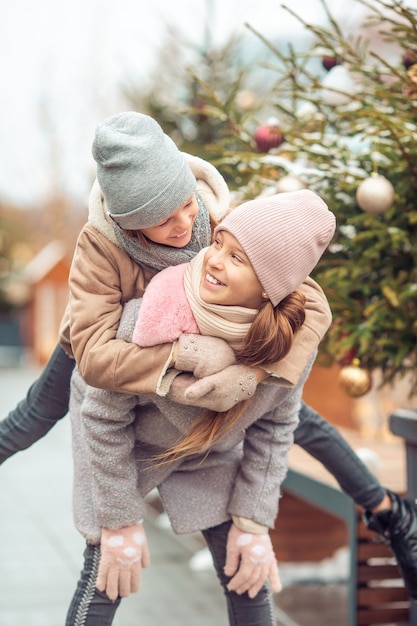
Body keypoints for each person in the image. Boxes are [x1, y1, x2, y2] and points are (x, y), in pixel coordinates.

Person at [0, 111, 416, 600]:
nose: (184, 224)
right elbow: (96, 359)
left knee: (289, 411)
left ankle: (389, 513)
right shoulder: (99, 244)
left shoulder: (211, 215)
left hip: (213, 357)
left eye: (186, 206)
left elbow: (305, 300)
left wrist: (253, 373)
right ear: (129, 225)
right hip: (107, 342)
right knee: (35, 414)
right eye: (163, 219)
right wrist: (183, 360)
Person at [67, 190, 336, 626]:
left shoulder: (287, 346)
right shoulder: (153, 313)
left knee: (248, 570)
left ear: (271, 287)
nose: (213, 260)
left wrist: (253, 519)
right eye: (218, 244)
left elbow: (275, 427)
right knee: (110, 567)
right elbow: (101, 416)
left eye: (239, 259)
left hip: (210, 450)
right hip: (126, 449)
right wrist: (119, 522)